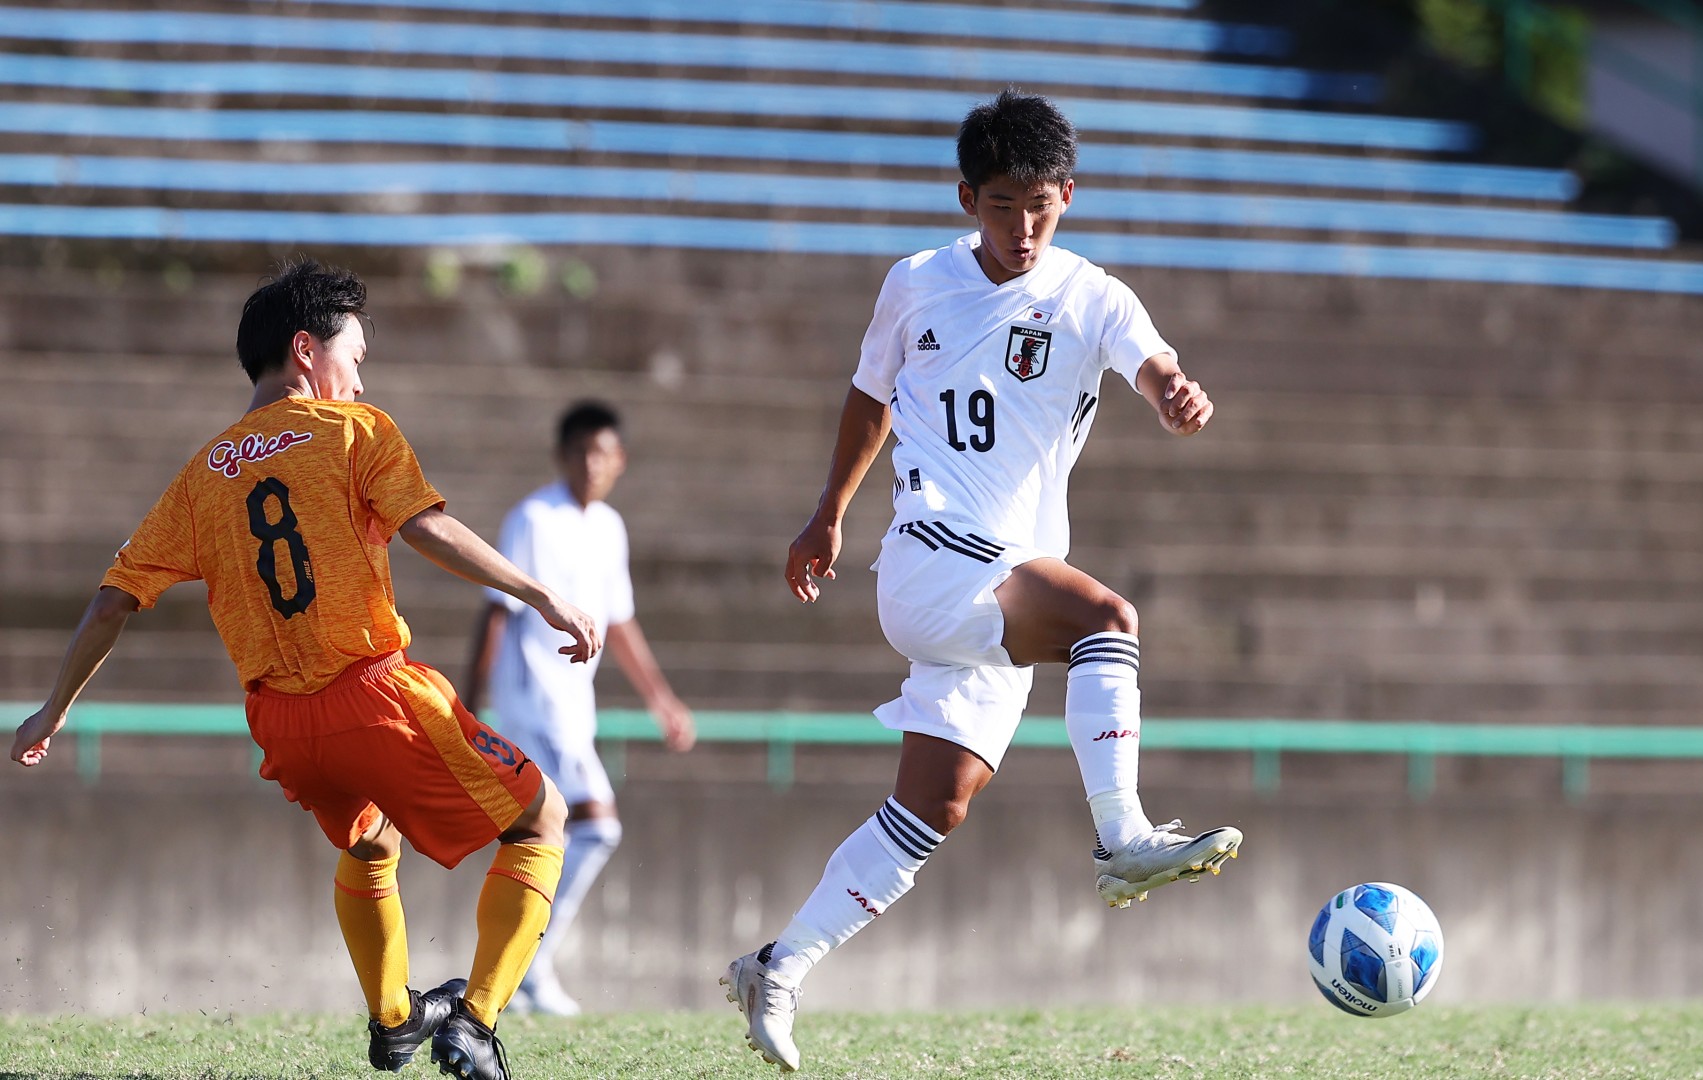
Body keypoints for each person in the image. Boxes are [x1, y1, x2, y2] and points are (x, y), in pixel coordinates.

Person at [724, 89, 1244, 1072]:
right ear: (967, 197)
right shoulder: (915, 283)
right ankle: (1123, 838)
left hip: (1002, 581)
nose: (1023, 226)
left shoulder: (1094, 293)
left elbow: (1152, 363)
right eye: (1003, 204)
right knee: (1107, 618)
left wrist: (1174, 393)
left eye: (1041, 203)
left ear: (1069, 197)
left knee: (935, 805)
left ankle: (776, 967)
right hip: (933, 554)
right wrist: (830, 509)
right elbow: (872, 396)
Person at [9, 261, 598, 1080]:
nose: (361, 374)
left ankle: (394, 1021)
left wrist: (52, 708)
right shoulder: (352, 432)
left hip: (282, 723)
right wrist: (540, 593)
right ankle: (475, 1022)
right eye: (355, 354)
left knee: (370, 843)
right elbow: (426, 529)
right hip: (374, 693)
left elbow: (112, 604)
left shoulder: (199, 477)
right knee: (542, 822)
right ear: (305, 351)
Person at [464, 400, 696, 1016]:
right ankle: (530, 965)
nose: (594, 464)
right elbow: (496, 609)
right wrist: (467, 706)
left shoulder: (610, 528)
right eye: (583, 452)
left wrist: (661, 700)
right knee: (596, 823)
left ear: (620, 461)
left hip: (572, 707)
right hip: (532, 701)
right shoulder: (532, 519)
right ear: (562, 456)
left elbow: (619, 621)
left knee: (558, 832)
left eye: (605, 453)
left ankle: (517, 966)